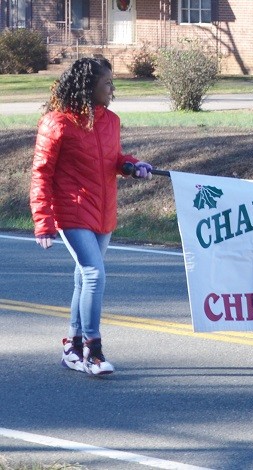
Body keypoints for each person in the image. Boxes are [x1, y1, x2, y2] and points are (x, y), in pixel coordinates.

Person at [30, 57, 153, 375]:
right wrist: (43, 221)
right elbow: (41, 174)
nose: (112, 89)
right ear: (88, 86)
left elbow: (114, 158)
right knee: (94, 275)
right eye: (107, 83)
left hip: (103, 211)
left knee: (83, 277)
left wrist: (131, 166)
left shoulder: (111, 121)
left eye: (112, 83)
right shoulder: (57, 123)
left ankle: (71, 347)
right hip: (71, 211)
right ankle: (92, 351)